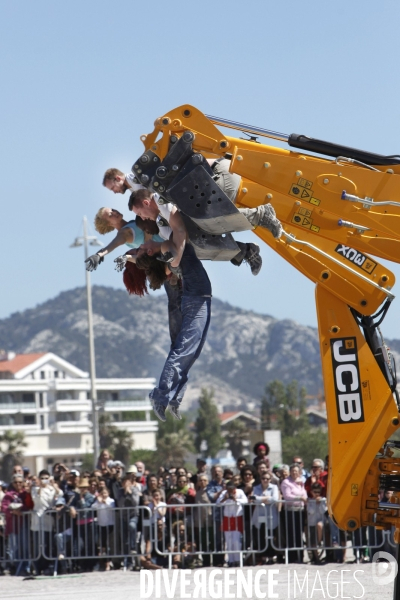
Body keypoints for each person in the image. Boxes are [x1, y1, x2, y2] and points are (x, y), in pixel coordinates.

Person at [123, 240, 212, 422]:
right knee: (183, 351)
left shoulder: (164, 252)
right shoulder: (167, 247)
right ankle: (160, 396)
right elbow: (147, 252)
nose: (141, 244)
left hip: (200, 299)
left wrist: (126, 256)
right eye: (142, 248)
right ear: (149, 251)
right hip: (196, 299)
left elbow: (141, 255)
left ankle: (173, 398)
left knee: (190, 354)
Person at [280, 464, 308, 563]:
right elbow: (287, 496)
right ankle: (292, 557)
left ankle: (300, 556)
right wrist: (299, 498)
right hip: (290, 511)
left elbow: (304, 493)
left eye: (296, 471)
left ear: (299, 472)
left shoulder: (300, 482)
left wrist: (302, 497)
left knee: (299, 534)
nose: (294, 473)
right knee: (291, 534)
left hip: (300, 510)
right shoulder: (286, 482)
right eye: (292, 471)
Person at [216, 482, 248, 567]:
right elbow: (217, 503)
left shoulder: (240, 492)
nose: (230, 491)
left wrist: (236, 499)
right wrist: (224, 499)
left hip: (237, 517)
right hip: (228, 517)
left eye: (232, 489)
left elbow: (245, 501)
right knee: (229, 540)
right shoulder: (224, 493)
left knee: (236, 540)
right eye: (228, 489)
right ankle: (231, 560)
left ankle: (237, 559)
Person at [251, 472, 280, 564]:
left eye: (267, 479)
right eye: (263, 478)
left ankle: (271, 556)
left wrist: (260, 499)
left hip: (270, 515)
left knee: (271, 536)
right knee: (261, 536)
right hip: (259, 515)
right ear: (260, 479)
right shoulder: (256, 488)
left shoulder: (274, 487)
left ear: (270, 479)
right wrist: (267, 498)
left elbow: (275, 499)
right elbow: (253, 499)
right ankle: (263, 556)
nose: (265, 480)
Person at [93, 487, 115, 571]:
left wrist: (104, 502)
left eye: (105, 493)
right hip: (100, 524)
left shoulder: (111, 501)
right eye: (102, 493)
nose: (104, 495)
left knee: (108, 544)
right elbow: (93, 507)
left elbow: (112, 507)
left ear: (108, 493)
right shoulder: (98, 501)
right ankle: (103, 562)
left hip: (109, 524)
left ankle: (108, 563)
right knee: (102, 545)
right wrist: (98, 501)